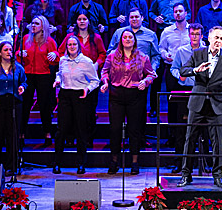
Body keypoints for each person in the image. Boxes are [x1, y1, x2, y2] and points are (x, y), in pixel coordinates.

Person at [178, 26, 222, 188]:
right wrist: (195, 70)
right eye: (216, 37)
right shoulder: (197, 53)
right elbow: (183, 70)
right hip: (198, 102)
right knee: (190, 139)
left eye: (221, 38)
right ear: (209, 37)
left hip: (217, 103)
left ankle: (217, 176)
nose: (218, 41)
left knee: (217, 142)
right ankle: (186, 175)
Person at [100, 28, 155, 174]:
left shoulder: (143, 57)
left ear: (134, 40)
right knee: (115, 129)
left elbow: (151, 74)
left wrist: (145, 81)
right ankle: (114, 161)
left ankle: (135, 162)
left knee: (134, 130)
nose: (128, 40)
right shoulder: (112, 56)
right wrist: (105, 82)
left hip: (135, 95)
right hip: (116, 95)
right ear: (121, 40)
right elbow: (104, 71)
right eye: (125, 38)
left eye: (130, 37)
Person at [52, 34, 100, 174]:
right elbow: (60, 74)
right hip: (65, 95)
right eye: (69, 45)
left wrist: (87, 89)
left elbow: (95, 81)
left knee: (81, 130)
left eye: (74, 45)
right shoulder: (62, 60)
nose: (71, 47)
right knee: (61, 130)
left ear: (79, 46)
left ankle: (81, 163)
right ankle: (57, 163)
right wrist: (57, 80)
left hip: (80, 95)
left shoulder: (86, 62)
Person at [58, 12, 106, 148]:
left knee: (90, 110)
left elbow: (103, 53)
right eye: (79, 19)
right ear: (76, 22)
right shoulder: (70, 37)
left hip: (90, 79)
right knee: (72, 111)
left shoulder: (96, 37)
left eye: (84, 19)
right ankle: (71, 137)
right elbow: (61, 52)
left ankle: (88, 138)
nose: (82, 21)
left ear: (89, 21)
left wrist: (97, 63)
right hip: (73, 78)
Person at [0, 41, 28, 175]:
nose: (9, 52)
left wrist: (22, 87)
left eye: (11, 50)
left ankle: (11, 166)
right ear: (0, 52)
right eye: (6, 50)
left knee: (12, 134)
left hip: (14, 103)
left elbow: (24, 81)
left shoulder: (18, 68)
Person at [17, 15, 59, 148]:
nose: (33, 25)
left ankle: (47, 133)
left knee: (44, 105)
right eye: (32, 23)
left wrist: (55, 55)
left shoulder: (50, 41)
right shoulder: (25, 39)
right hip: (28, 75)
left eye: (36, 23)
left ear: (43, 27)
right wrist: (19, 53)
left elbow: (56, 59)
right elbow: (18, 56)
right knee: (25, 105)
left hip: (44, 75)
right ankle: (21, 134)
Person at [170, 23, 207, 170]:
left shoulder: (208, 51)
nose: (195, 37)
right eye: (192, 34)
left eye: (197, 34)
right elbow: (173, 68)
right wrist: (180, 75)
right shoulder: (181, 51)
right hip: (185, 92)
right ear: (189, 35)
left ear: (202, 35)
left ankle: (205, 163)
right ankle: (180, 162)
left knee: (204, 128)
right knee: (182, 129)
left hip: (202, 92)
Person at [157, 2, 191, 122]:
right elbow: (161, 48)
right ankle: (173, 136)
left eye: (180, 11)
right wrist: (166, 55)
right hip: (172, 69)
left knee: (189, 102)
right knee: (172, 101)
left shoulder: (192, 30)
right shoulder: (167, 31)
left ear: (186, 13)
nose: (178, 13)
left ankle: (188, 136)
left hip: (189, 71)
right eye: (175, 11)